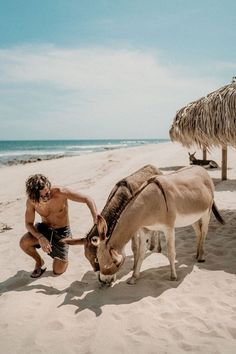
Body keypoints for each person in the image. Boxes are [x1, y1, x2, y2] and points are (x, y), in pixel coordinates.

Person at [19, 174, 98, 278]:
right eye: (42, 196)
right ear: (34, 196)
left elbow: (87, 199)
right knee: (24, 243)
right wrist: (40, 237)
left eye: (47, 193)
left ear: (48, 185)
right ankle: (39, 262)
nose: (46, 197)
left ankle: (63, 259)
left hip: (62, 232)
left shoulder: (61, 192)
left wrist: (95, 219)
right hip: (44, 229)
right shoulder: (32, 201)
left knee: (57, 271)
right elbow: (28, 224)